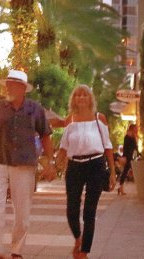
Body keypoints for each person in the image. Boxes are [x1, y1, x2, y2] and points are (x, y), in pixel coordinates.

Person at [0, 69, 54, 259]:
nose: (8, 87)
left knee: (22, 209)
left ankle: (17, 249)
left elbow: (45, 135)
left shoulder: (35, 108)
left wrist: (50, 163)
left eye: (12, 84)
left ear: (23, 88)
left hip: (25, 164)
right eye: (7, 84)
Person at [55, 85, 116, 259]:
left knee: (90, 211)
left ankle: (84, 252)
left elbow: (108, 147)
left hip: (95, 165)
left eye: (85, 95)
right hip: (74, 167)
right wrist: (53, 165)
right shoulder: (70, 120)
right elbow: (63, 148)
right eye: (77, 95)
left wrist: (112, 172)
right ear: (73, 99)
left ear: (90, 99)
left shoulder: (100, 119)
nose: (81, 97)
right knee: (71, 210)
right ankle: (77, 237)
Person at [117, 123, 137, 195]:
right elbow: (125, 148)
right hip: (127, 157)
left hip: (131, 157)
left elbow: (136, 148)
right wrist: (124, 157)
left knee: (126, 172)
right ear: (132, 128)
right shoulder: (127, 137)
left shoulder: (133, 137)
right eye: (135, 128)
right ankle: (121, 188)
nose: (136, 129)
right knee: (125, 172)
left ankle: (120, 188)